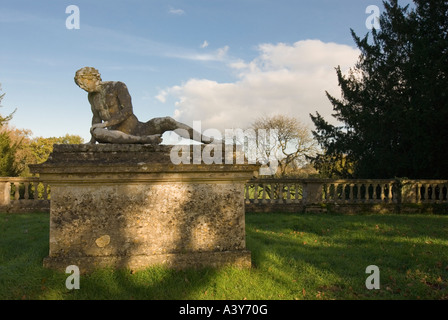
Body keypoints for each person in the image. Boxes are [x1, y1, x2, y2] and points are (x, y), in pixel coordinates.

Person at [74, 67, 211, 145]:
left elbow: (127, 111)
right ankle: (144, 141)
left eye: (83, 82)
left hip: (139, 128)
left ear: (93, 78)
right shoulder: (91, 97)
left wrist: (105, 124)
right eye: (80, 85)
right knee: (97, 132)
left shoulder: (116, 86)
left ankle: (207, 139)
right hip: (116, 135)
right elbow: (96, 117)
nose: (82, 87)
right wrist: (92, 141)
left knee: (167, 121)